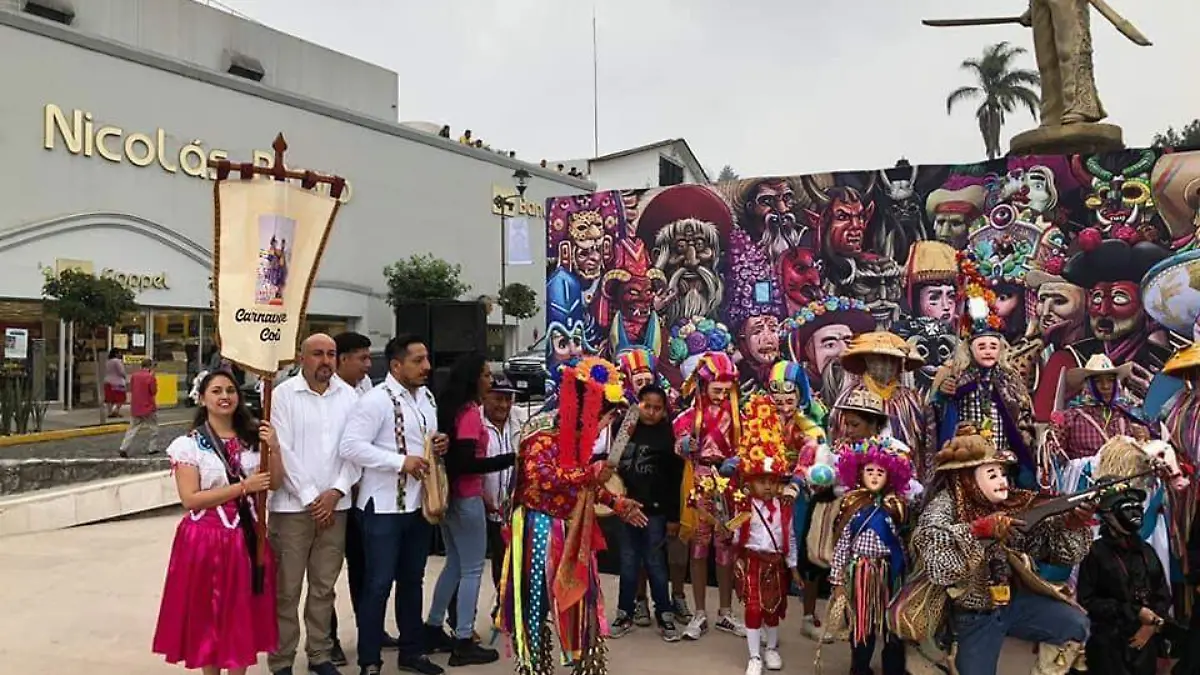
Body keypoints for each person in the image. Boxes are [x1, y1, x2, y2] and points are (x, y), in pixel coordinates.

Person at [498, 357, 648, 675]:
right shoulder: (541, 433)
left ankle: (587, 664)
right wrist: (589, 471)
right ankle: (535, 666)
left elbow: (583, 485)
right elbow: (542, 477)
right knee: (536, 604)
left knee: (584, 603)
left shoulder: (579, 439)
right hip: (539, 528)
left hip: (574, 526)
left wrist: (616, 502)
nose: (607, 424)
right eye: (606, 416)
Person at [905, 423, 1093, 675]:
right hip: (971, 614)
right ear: (966, 477)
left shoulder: (1015, 502)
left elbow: (1053, 551)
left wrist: (1070, 524)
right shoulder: (943, 506)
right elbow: (936, 559)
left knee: (1075, 625)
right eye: (992, 474)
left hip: (1013, 600)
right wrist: (977, 531)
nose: (1003, 481)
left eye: (1003, 474)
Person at [151, 370, 285, 673]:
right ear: (202, 398)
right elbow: (191, 498)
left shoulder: (254, 439)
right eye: (216, 391)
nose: (225, 396)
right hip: (205, 539)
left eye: (230, 390)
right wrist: (242, 488)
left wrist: (274, 447)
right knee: (206, 613)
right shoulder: (189, 445)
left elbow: (274, 482)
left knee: (241, 613)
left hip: (248, 538)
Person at [339, 335, 449, 675]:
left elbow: (424, 439)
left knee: (412, 580)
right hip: (382, 506)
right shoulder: (376, 400)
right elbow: (351, 446)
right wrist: (399, 462)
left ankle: (412, 652)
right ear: (396, 365)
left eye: (427, 359)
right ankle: (370, 660)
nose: (427, 367)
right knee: (378, 583)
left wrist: (439, 442)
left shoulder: (426, 397)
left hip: (418, 505)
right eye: (418, 361)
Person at [267, 334, 360, 675]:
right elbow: (283, 450)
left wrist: (335, 492)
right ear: (301, 358)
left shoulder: (350, 397)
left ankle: (320, 654)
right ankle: (281, 661)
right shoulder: (283, 396)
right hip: (292, 510)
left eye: (331, 354)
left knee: (324, 588)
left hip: (336, 508)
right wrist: (310, 497)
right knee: (286, 590)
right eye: (317, 354)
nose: (325, 360)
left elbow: (355, 450)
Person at [424, 354, 516, 666]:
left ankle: (434, 625)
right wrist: (507, 460)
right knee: (472, 569)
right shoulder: (469, 415)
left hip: (452, 501)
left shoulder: (450, 410)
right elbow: (463, 463)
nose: (491, 381)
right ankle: (463, 638)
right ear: (474, 379)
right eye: (487, 375)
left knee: (454, 564)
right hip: (465, 498)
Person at [673, 351, 746, 640]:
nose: (721, 396)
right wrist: (684, 444)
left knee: (725, 549)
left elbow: (746, 447)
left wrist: (737, 461)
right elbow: (677, 444)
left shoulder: (738, 416)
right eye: (716, 390)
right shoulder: (688, 416)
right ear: (703, 386)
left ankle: (726, 613)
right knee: (699, 548)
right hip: (699, 483)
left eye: (726, 391)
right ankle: (699, 612)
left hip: (728, 486)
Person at [827, 435, 913, 675]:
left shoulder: (897, 506)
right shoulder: (851, 505)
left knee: (891, 624)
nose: (875, 476)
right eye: (870, 470)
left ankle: (894, 668)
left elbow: (903, 541)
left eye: (880, 472)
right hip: (861, 573)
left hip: (890, 572)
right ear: (859, 473)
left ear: (890, 476)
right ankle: (860, 667)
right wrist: (837, 580)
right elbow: (842, 545)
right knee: (862, 624)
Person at [328, 331, 388, 666]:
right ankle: (328, 639)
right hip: (333, 498)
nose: (368, 365)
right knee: (325, 576)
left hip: (364, 498)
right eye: (362, 358)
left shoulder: (366, 391)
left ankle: (371, 631)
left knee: (365, 571)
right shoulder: (326, 395)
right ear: (342, 360)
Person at [725, 395, 797, 675]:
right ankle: (754, 656)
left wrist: (793, 566)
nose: (767, 487)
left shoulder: (784, 507)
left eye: (772, 481)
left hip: (775, 564)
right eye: (761, 481)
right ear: (749, 481)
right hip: (752, 561)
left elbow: (788, 539)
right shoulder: (743, 506)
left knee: (774, 608)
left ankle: (771, 649)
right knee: (753, 608)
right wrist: (727, 536)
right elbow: (733, 534)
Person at [610, 384, 684, 642]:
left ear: (664, 411)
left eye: (657, 408)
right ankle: (624, 613)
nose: (651, 412)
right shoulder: (624, 427)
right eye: (646, 406)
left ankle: (664, 613)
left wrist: (674, 517)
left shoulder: (668, 435)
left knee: (655, 564)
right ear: (637, 405)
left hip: (655, 512)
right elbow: (612, 467)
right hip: (626, 508)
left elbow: (675, 480)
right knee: (628, 562)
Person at [1078, 487, 1172, 675]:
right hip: (1109, 647)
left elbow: (1162, 593)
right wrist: (1133, 612)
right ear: (1109, 515)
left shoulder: (1147, 551)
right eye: (1127, 508)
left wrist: (1151, 625)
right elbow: (1087, 600)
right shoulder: (1095, 553)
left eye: (1138, 507)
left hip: (1145, 646)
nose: (1135, 512)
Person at [119, 358, 160, 458]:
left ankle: (123, 447)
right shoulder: (150, 377)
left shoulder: (134, 376)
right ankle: (152, 448)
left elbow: (132, 388)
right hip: (148, 407)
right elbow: (153, 391)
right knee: (154, 428)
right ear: (150, 366)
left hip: (136, 406)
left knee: (132, 428)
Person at [105, 347, 127, 417]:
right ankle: (116, 411)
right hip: (117, 382)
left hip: (108, 381)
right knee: (121, 398)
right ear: (116, 353)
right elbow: (121, 371)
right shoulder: (117, 361)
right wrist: (124, 376)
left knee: (110, 398)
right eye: (119, 353)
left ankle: (110, 412)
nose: (120, 354)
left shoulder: (108, 361)